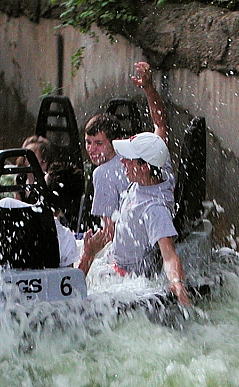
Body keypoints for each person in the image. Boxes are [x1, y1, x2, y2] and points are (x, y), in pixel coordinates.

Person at [77, 131, 190, 306]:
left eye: (128, 158)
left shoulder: (154, 209)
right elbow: (159, 130)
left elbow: (169, 255)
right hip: (110, 258)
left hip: (124, 281)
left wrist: (177, 283)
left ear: (144, 167)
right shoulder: (160, 171)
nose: (122, 161)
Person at [84, 61, 169, 228]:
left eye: (99, 144)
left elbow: (110, 232)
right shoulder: (157, 155)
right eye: (88, 142)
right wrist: (148, 88)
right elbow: (161, 124)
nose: (91, 149)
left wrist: (88, 253)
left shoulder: (103, 174)